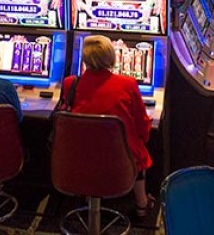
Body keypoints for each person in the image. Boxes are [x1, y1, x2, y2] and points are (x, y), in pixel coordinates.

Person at [61, 35, 155, 218]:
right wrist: (144, 134)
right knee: (136, 148)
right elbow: (142, 125)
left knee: (92, 144)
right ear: (112, 58)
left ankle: (89, 195)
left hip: (77, 154)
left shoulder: (70, 83)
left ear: (84, 58)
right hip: (120, 156)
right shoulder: (128, 84)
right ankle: (142, 204)